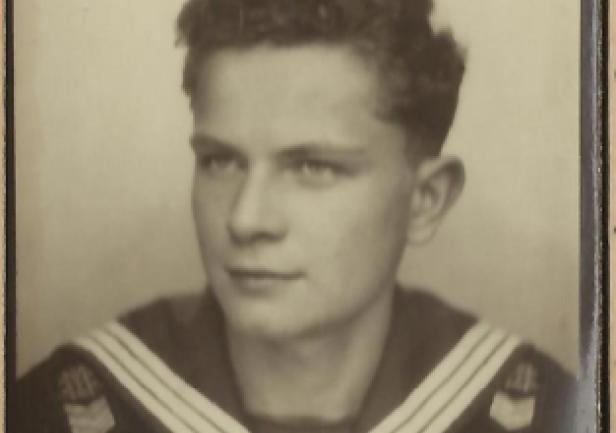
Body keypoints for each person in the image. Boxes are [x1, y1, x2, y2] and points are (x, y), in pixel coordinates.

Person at [15, 0, 577, 432]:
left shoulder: (540, 413)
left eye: (313, 167)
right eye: (220, 161)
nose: (246, 219)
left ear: (425, 200)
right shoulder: (62, 411)